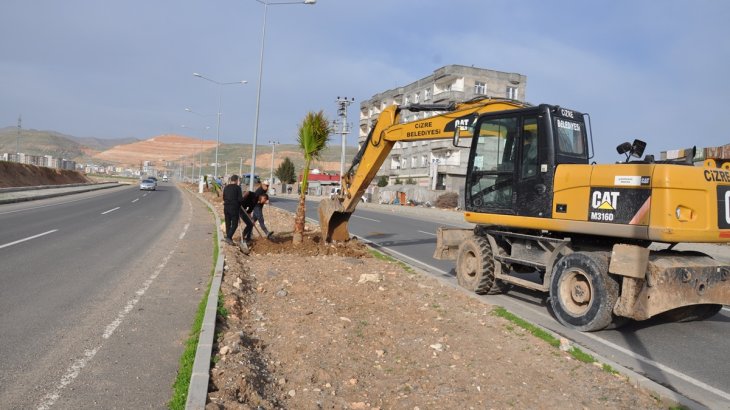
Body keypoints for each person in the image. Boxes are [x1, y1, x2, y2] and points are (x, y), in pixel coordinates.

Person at [222, 175, 244, 245]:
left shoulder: (226, 187)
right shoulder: (238, 188)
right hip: (234, 208)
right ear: (237, 180)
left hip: (226, 207)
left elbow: (224, 197)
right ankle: (228, 237)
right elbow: (240, 199)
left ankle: (229, 238)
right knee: (234, 224)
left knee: (228, 223)